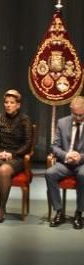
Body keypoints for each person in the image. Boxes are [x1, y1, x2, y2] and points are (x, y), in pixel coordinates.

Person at [0, 89, 32, 223]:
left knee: (4, 170)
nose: (8, 105)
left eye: (12, 102)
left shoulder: (24, 119)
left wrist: (12, 154)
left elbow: (27, 143)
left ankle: (2, 208)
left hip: (16, 156)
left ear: (18, 105)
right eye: (6, 102)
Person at [46, 95, 84, 229]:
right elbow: (54, 146)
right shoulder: (62, 123)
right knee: (50, 173)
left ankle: (79, 213)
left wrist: (80, 157)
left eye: (82, 115)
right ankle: (59, 211)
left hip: (82, 164)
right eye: (76, 114)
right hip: (66, 163)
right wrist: (66, 154)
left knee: (83, 175)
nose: (79, 118)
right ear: (70, 109)